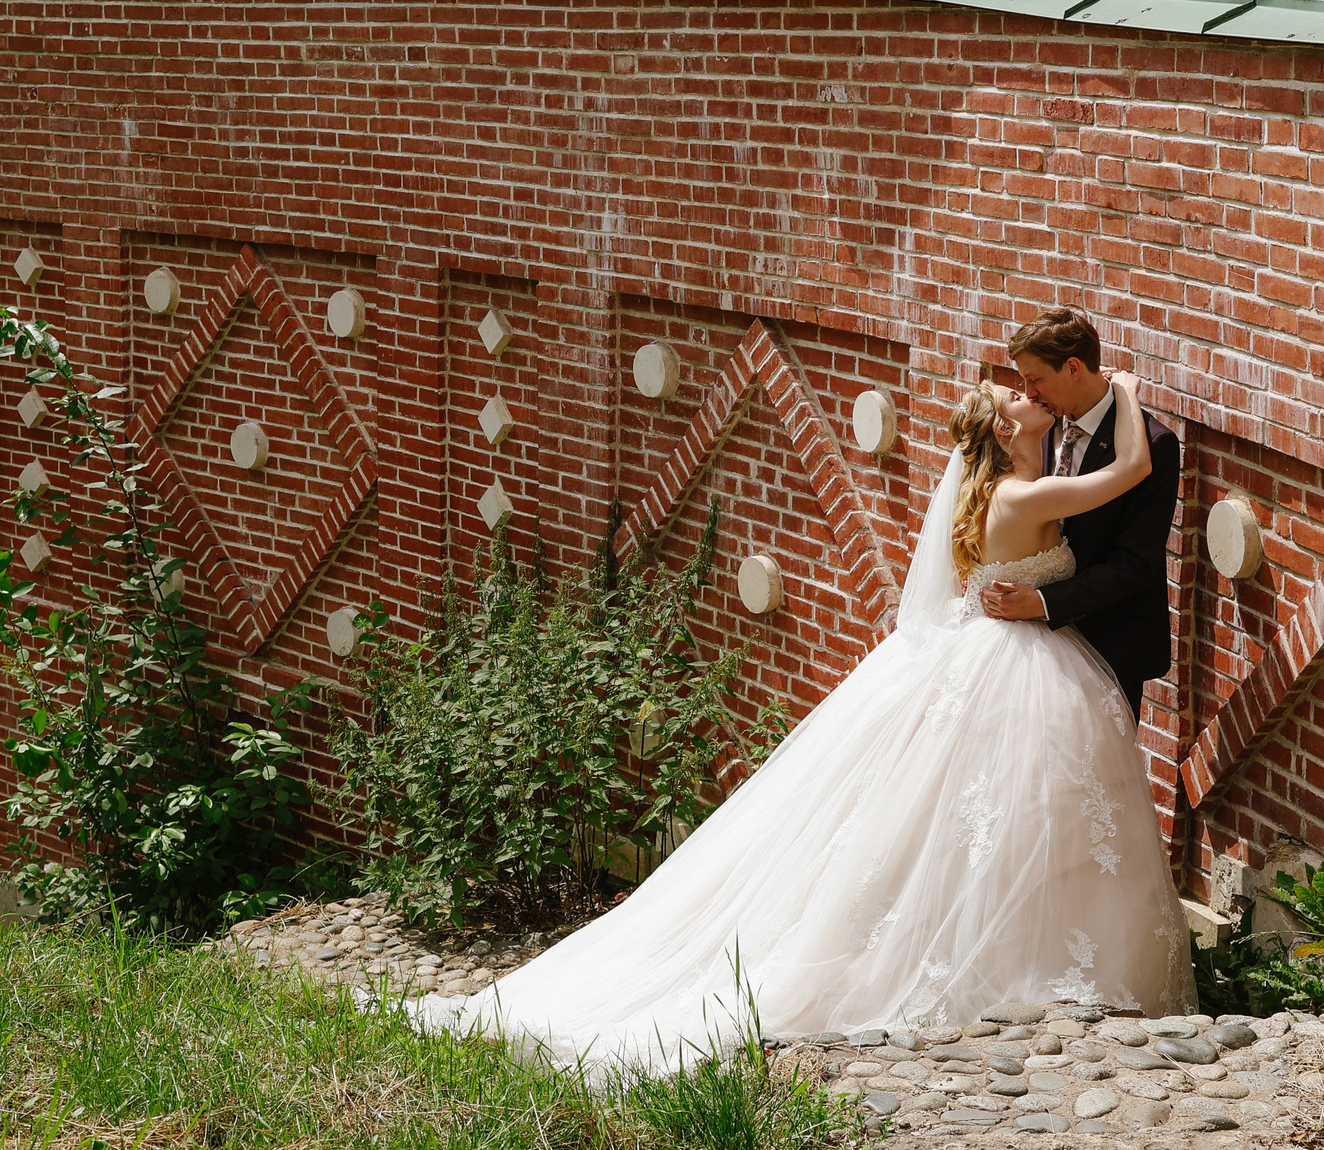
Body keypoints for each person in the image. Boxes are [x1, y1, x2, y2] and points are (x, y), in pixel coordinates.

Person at [413, 365, 1196, 1076]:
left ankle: (1033, 961)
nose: (1029, 395)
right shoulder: (1021, 493)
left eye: (1029, 386)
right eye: (1014, 396)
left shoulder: (1021, 472)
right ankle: (999, 968)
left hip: (1009, 657)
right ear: (999, 429)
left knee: (1001, 822)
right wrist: (1122, 388)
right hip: (1013, 664)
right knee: (985, 822)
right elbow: (1130, 470)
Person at [981, 310, 1183, 720]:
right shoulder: (1033, 428)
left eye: (1035, 379)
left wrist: (1041, 601)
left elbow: (1133, 564)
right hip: (1022, 654)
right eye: (1022, 383)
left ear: (1073, 367)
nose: (1029, 393)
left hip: (1107, 650)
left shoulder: (1155, 445)